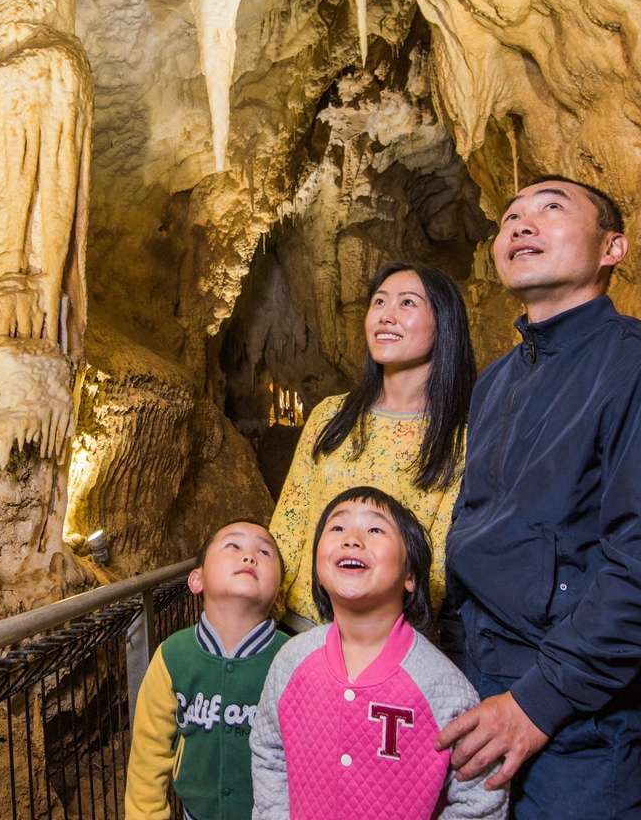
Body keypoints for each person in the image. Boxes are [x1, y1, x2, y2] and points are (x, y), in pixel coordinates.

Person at [435, 175, 641, 819]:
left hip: (572, 711)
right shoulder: (498, 381)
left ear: (611, 249)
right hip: (474, 679)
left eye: (550, 209)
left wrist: (540, 703)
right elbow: (475, 527)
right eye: (510, 217)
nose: (520, 225)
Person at [250, 486, 507, 819]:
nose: (352, 539)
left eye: (375, 529)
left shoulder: (441, 686)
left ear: (410, 575)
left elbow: (482, 795)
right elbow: (269, 752)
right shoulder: (291, 661)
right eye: (337, 528)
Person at [270, 262, 476, 625]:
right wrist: (263, 614)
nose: (386, 315)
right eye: (379, 302)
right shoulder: (331, 415)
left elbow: (440, 558)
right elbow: (290, 521)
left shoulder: (460, 438)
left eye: (407, 303)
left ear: (444, 324)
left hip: (388, 640)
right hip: (299, 628)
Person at [124, 519, 288, 820]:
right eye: (233, 546)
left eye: (265, 553)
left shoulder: (292, 661)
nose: (249, 557)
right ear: (197, 579)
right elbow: (148, 759)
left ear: (279, 591)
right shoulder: (172, 657)